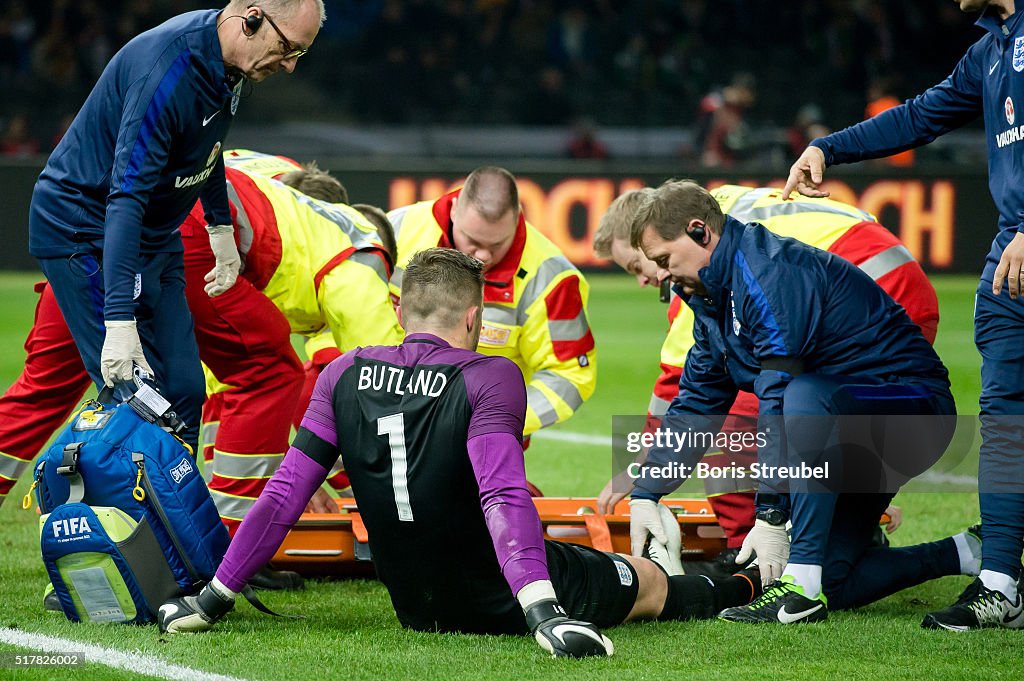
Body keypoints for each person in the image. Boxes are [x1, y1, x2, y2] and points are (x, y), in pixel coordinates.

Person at [156, 247, 762, 657]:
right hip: (502, 595)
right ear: (473, 316)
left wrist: (212, 598)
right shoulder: (490, 376)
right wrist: (543, 610)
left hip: (417, 605)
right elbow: (502, 493)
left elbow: (285, 493)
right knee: (653, 585)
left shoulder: (340, 373)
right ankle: (749, 582)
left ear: (399, 312)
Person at [603, 180, 978, 625]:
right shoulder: (711, 297)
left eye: (664, 260)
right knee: (832, 580)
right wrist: (648, 490)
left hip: (910, 418)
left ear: (701, 232)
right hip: (850, 430)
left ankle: (800, 585)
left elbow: (781, 396)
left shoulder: (768, 273)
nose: (661, 276)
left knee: (801, 394)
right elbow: (697, 402)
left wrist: (771, 515)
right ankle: (968, 550)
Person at [0, 151, 401, 547]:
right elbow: (388, 396)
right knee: (269, 369)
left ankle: (199, 519)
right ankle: (232, 543)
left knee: (43, 387)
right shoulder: (360, 260)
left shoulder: (282, 175)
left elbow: (217, 385)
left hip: (98, 215)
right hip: (185, 229)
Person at [783, 0, 1024, 631]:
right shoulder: (989, 49)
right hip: (1010, 258)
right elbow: (921, 116)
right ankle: (1000, 580)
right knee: (1006, 420)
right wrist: (828, 150)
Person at [27, 1, 324, 452]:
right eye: (287, 49)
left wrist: (220, 227)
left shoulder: (229, 66)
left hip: (155, 233)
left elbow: (207, 145)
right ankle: (104, 515)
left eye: (298, 54)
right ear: (253, 18)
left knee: (184, 392)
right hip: (82, 231)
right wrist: (119, 319)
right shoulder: (165, 72)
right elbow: (124, 198)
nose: (288, 66)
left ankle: (165, 515)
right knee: (136, 396)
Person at [387, 167, 596, 445]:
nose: (484, 256)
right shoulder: (395, 232)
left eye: (498, 243)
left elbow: (569, 376)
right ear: (453, 210)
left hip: (478, 440)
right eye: (472, 242)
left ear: (518, 216)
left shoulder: (552, 278)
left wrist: (494, 418)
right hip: (382, 412)